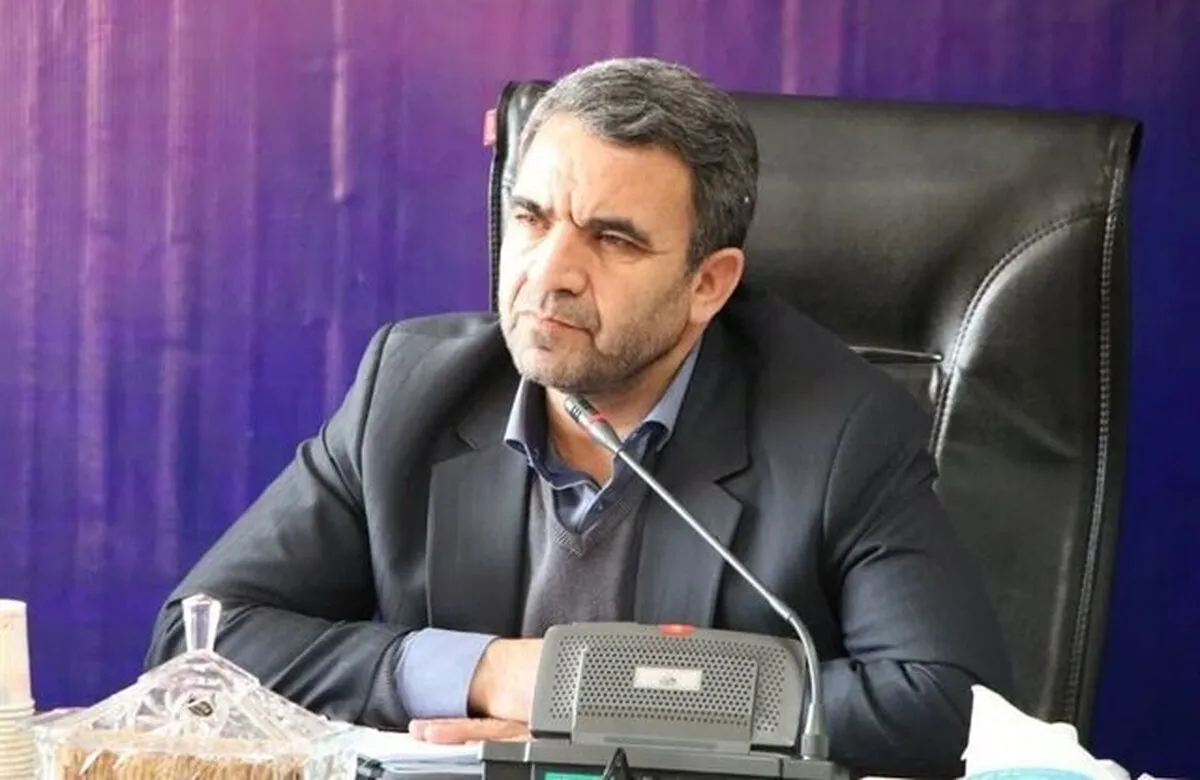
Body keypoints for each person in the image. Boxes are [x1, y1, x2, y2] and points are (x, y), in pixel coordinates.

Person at [146, 57, 1012, 777]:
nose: (549, 273)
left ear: (709, 283)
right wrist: (485, 671)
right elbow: (196, 646)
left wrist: (583, 699)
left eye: (614, 239)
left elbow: (946, 706)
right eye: (531, 219)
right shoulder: (411, 389)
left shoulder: (841, 429)